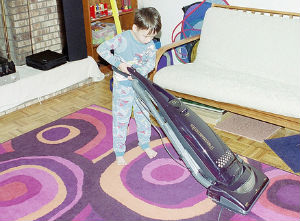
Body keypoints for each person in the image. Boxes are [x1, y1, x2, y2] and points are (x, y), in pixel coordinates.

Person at [97, 7, 162, 165]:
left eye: (152, 36)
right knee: (121, 118)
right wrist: (119, 64)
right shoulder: (122, 39)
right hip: (123, 87)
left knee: (143, 115)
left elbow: (150, 63)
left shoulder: (150, 44)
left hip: (140, 86)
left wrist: (139, 71)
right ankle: (119, 151)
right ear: (135, 28)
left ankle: (144, 143)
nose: (148, 40)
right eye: (145, 36)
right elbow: (101, 49)